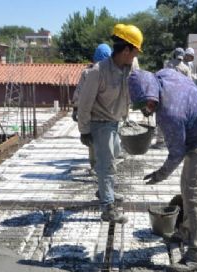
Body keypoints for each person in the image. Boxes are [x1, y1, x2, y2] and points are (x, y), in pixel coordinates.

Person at [128, 69, 197, 272]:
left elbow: (176, 153)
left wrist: (160, 175)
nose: (147, 109)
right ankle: (186, 232)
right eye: (143, 105)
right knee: (186, 188)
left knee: (194, 196)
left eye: (148, 103)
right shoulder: (164, 74)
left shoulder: (169, 113)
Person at [76, 24, 142, 224]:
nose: (136, 56)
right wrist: (84, 130)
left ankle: (106, 191)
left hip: (115, 122)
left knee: (113, 160)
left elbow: (138, 86)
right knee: (106, 166)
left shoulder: (131, 67)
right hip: (100, 124)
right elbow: (84, 104)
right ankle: (107, 208)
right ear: (126, 50)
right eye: (135, 51)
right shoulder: (98, 72)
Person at [72, 43, 112, 173]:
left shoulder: (88, 72)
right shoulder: (112, 72)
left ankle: (95, 166)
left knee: (92, 141)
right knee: (107, 140)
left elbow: (79, 93)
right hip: (108, 114)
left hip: (92, 114)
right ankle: (105, 165)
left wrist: (76, 108)